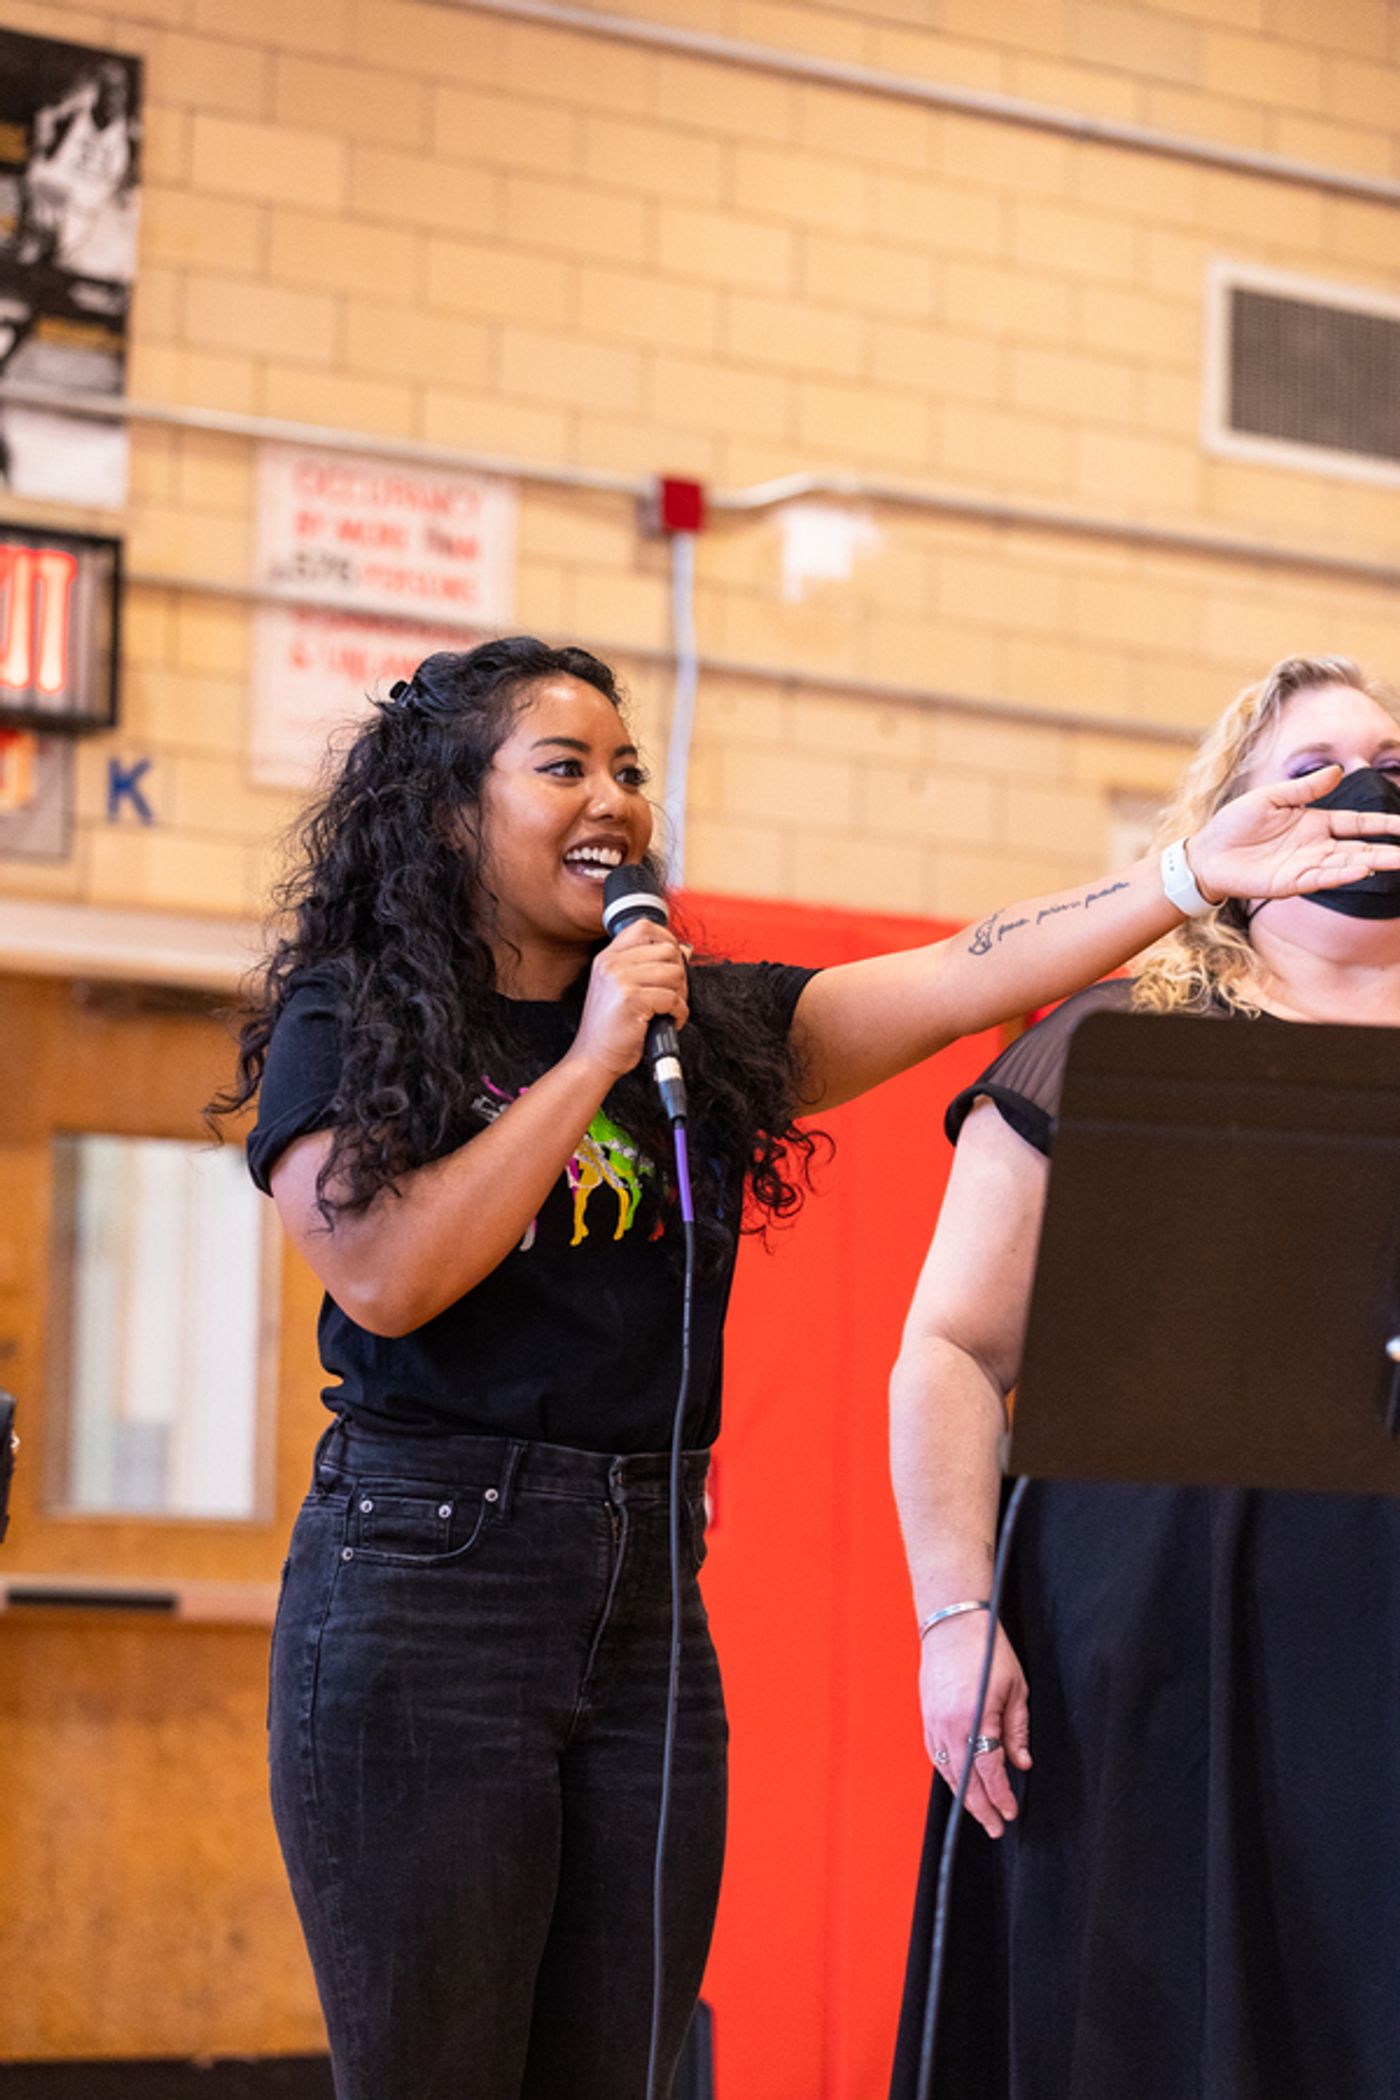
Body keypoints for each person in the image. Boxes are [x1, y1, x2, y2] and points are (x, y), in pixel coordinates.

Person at [213, 636, 1400, 2100]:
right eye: (564, 766)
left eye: (630, 769)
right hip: (426, 1578)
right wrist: (589, 1060)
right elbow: (387, 1276)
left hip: (643, 1584)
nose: (616, 800)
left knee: (627, 2067)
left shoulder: (696, 1029)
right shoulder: (355, 1020)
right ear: (449, 809)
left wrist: (1187, 876)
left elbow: (967, 980)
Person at [888, 654, 1400, 2100]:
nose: (1369, 785)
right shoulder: (1109, 1039)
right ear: (1232, 825)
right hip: (1153, 1641)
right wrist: (952, 1615)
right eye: (1318, 762)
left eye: (1393, 759)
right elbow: (954, 1349)